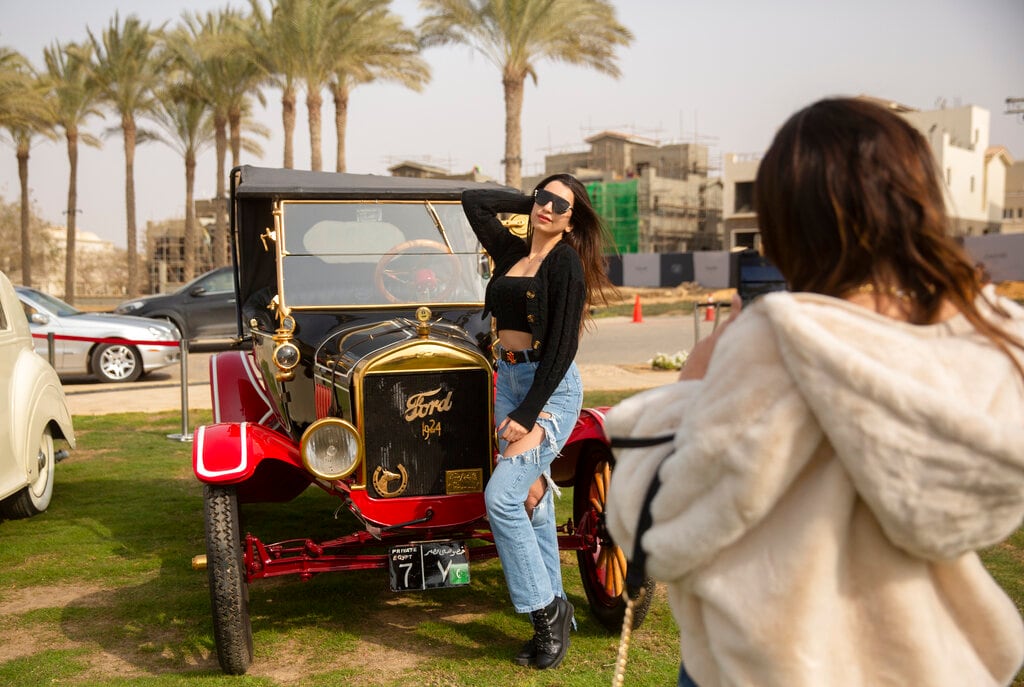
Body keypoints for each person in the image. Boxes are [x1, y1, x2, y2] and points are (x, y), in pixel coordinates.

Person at [605, 97, 1024, 687]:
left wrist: (699, 374)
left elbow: (657, 529)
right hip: (937, 664)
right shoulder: (989, 340)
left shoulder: (778, 344)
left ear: (788, 222)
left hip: (772, 665)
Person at [462, 174, 615, 669]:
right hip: (507, 383)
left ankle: (545, 611)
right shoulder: (513, 254)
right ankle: (559, 610)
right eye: (542, 198)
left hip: (548, 392)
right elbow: (473, 202)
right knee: (531, 500)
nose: (547, 208)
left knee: (501, 498)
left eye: (559, 205)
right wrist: (528, 198)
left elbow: (564, 347)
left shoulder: (565, 262)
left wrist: (529, 414)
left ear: (573, 220)